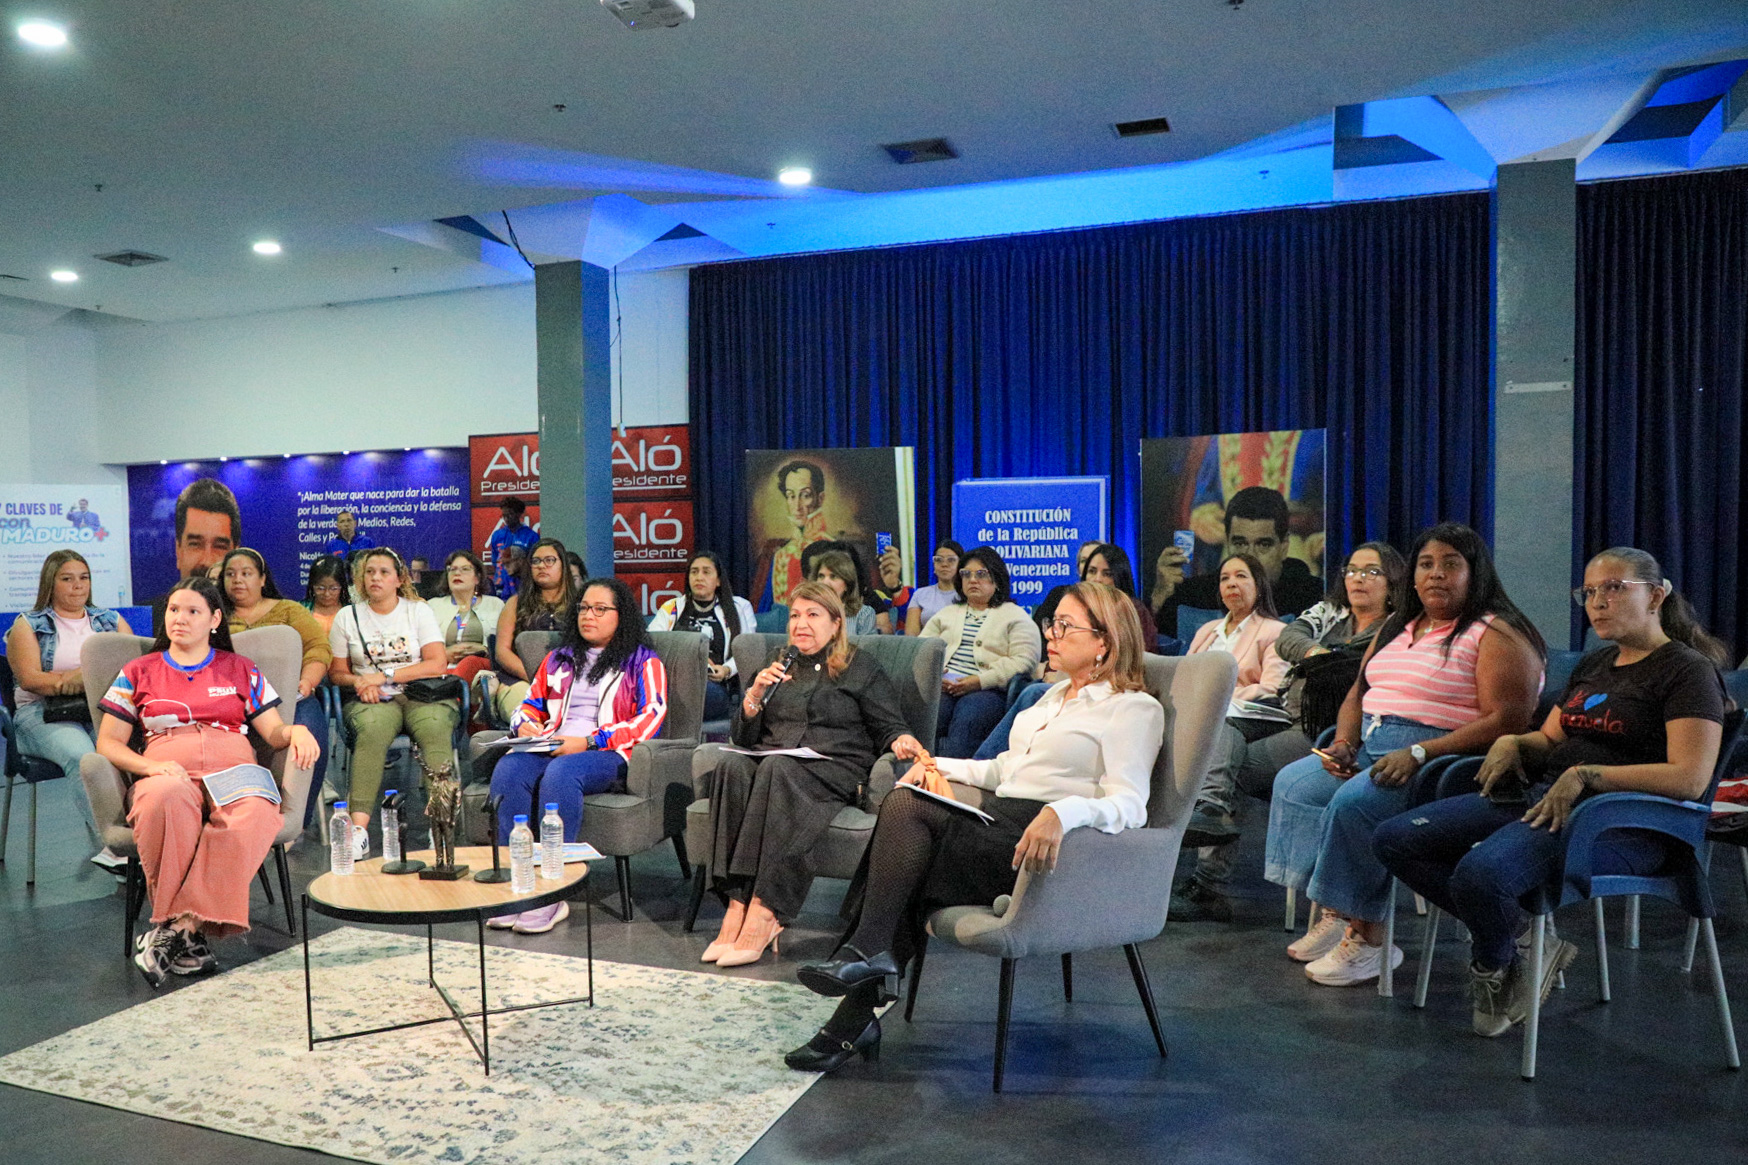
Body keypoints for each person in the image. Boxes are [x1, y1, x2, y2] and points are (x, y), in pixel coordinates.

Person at [786, 582, 1164, 1072]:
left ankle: (864, 957)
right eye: (1052, 623)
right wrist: (932, 763)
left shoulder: (1132, 708)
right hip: (1002, 820)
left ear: (1105, 642)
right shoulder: (1050, 699)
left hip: (1050, 846)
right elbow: (1005, 771)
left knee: (908, 833)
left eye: (1065, 627)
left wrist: (1063, 813)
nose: (1051, 634)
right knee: (908, 800)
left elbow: (1132, 804)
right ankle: (859, 995)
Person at [1375, 547, 1727, 1037]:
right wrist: (1513, 740)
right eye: (1589, 592)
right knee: (1396, 838)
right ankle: (1522, 940)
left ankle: (1495, 963)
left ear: (1657, 595)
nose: (1597, 602)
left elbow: (1688, 777)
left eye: (1614, 588)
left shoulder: (1685, 671)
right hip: (1546, 801)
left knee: (1480, 874)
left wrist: (1587, 776)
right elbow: (1550, 739)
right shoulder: (1598, 663)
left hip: (1623, 824)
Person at [1265, 523, 1545, 986]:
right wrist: (1344, 744)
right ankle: (1339, 907)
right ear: (1411, 576)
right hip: (1374, 744)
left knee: (1354, 805)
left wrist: (1418, 751)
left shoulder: (1496, 633)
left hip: (1443, 759)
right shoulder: (1399, 624)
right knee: (1295, 784)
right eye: (1426, 564)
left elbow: (1507, 723)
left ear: (1476, 573)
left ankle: (1370, 938)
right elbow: (1360, 688)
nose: (1436, 574)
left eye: (1451, 564)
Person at [96, 577, 319, 987]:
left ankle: (178, 927)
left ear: (215, 619)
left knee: (256, 814)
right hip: (167, 765)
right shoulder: (138, 671)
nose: (179, 619)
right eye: (174, 610)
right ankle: (189, 938)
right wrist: (148, 769)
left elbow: (272, 733)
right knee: (163, 798)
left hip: (234, 765)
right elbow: (108, 742)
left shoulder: (241, 669)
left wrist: (297, 732)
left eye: (192, 611)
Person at [1173, 543, 1407, 922]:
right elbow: (1292, 638)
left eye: (1371, 572)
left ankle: (1209, 882)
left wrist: (1331, 660)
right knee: (1224, 731)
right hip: (1289, 716)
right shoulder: (1332, 612)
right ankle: (1211, 821)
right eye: (1351, 570)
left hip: (1334, 733)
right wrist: (1320, 656)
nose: (1358, 579)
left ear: (1393, 581)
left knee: (1224, 764)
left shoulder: (1396, 629)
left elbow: (1354, 671)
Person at [699, 581, 926, 969]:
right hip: (778, 763)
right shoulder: (778, 661)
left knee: (776, 767)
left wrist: (903, 739)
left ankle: (765, 910)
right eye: (795, 615)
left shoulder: (860, 666)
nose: (800, 624)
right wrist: (754, 694)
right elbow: (743, 735)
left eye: (813, 615)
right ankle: (735, 904)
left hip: (835, 769)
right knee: (732, 766)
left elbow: (889, 725)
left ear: (836, 624)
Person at [488, 578, 669, 934]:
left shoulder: (642, 661)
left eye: (601, 609)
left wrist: (589, 741)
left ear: (622, 616)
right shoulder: (560, 658)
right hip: (552, 742)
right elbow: (530, 704)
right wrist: (523, 725)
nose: (590, 615)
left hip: (607, 751)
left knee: (562, 773)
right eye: (584, 608)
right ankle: (519, 886)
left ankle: (553, 892)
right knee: (509, 769)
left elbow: (652, 718)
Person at [5, 550, 135, 870]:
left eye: (84, 577)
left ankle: (144, 837)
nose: (78, 586)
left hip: (99, 709)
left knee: (127, 751)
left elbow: (133, 669)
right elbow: (32, 681)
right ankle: (116, 846)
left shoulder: (110, 620)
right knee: (84, 757)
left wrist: (73, 678)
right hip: (40, 714)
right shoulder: (27, 625)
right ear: (51, 583)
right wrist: (84, 676)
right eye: (67, 579)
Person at [327, 548, 459, 854]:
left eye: (384, 572)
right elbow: (337, 673)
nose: (375, 577)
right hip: (371, 699)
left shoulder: (417, 610)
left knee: (435, 728)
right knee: (372, 731)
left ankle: (440, 827)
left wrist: (384, 675)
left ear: (399, 579)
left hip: (420, 693)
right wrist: (360, 681)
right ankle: (357, 831)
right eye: (370, 572)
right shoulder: (348, 616)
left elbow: (437, 663)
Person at [220, 548, 332, 831]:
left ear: (262, 579)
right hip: (234, 704)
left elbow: (319, 648)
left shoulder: (288, 610)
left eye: (246, 574)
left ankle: (294, 822)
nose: (237, 580)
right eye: (230, 574)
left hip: (292, 698)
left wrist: (307, 681)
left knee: (309, 735)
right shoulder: (216, 618)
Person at [920, 547, 1042, 758]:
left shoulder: (1015, 616)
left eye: (981, 574)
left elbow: (1024, 661)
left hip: (989, 690)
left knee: (969, 717)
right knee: (932, 714)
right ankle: (922, 775)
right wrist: (935, 673)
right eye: (966, 574)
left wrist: (980, 680)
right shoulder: (947, 614)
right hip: (943, 685)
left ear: (997, 579)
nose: (972, 580)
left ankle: (955, 781)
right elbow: (922, 650)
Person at [1155, 485, 1325, 636]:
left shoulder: (1315, 600)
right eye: (1240, 543)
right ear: (1228, 542)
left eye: (1263, 544)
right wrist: (1159, 599)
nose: (1250, 556)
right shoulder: (1192, 597)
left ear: (1283, 546)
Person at [649, 551, 757, 721]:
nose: (699, 577)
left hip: (715, 685)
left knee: (694, 692)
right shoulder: (671, 608)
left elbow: (748, 650)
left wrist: (726, 670)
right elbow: (652, 645)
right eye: (694, 572)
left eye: (706, 572)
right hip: (675, 680)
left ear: (719, 580)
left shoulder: (739, 608)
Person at [483, 537, 578, 726]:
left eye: (549, 560)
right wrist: (539, 679)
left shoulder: (581, 605)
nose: (542, 566)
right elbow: (502, 652)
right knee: (530, 721)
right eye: (536, 561)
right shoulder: (515, 604)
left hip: (571, 682)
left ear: (563, 566)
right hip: (520, 680)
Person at [147, 478, 241, 636]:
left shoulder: (258, 620)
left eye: (219, 546)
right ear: (178, 551)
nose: (207, 561)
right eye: (196, 544)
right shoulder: (146, 624)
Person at [752, 459, 833, 611]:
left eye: (805, 495)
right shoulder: (779, 556)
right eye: (791, 496)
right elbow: (764, 612)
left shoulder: (835, 551)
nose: (797, 505)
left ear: (820, 498)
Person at [425, 549, 505, 689]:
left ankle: (451, 695)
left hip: (483, 668)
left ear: (477, 578)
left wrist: (484, 650)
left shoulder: (495, 604)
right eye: (452, 569)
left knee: (470, 662)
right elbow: (420, 646)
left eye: (465, 569)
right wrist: (444, 654)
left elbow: (505, 645)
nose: (457, 573)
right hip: (443, 667)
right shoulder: (432, 605)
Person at [1081, 542, 1160, 652]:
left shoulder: (1133, 610)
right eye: (1092, 571)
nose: (1097, 579)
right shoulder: (1075, 606)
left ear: (1120, 578)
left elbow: (1141, 656)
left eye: (1107, 574)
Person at [808, 548, 879, 635]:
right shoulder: (805, 612)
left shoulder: (863, 614)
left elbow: (868, 648)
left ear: (847, 584)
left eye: (833, 576)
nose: (825, 582)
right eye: (821, 576)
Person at [903, 540, 963, 637]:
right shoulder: (920, 594)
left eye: (951, 560)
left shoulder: (968, 595)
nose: (944, 564)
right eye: (939, 560)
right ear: (934, 565)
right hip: (926, 647)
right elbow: (911, 635)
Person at [486, 497, 540, 597]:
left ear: (519, 514)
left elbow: (534, 563)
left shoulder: (531, 536)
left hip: (522, 587)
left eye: (510, 514)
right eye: (504, 515)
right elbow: (495, 561)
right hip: (500, 587)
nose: (506, 518)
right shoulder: (497, 535)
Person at [302, 555, 347, 637]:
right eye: (320, 588)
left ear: (342, 586)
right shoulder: (301, 610)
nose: (327, 594)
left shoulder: (351, 612)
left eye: (333, 588)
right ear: (312, 586)